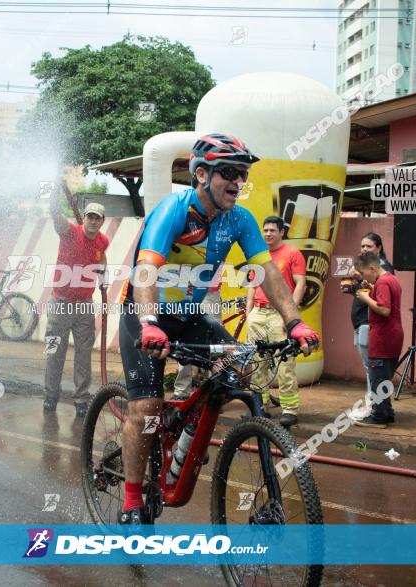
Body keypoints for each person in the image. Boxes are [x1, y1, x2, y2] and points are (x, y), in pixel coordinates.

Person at [116, 133, 319, 524]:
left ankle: (187, 427)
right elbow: (146, 271)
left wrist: (294, 322)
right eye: (229, 173)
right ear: (202, 174)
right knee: (145, 407)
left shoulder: (239, 219)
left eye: (242, 174)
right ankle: (131, 498)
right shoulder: (174, 209)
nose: (238, 183)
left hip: (190, 314)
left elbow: (269, 273)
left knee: (239, 367)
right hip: (147, 311)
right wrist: (149, 323)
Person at [44, 196, 109, 418]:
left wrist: (103, 278)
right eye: (89, 217)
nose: (92, 221)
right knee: (55, 352)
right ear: (85, 219)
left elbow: (102, 257)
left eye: (96, 218)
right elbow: (57, 219)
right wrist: (53, 201)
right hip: (60, 303)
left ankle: (81, 399)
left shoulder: (103, 241)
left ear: (101, 221)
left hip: (84, 306)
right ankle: (51, 396)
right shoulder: (70, 232)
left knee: (84, 354)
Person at [245, 215, 306, 427]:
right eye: (265, 230)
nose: (268, 234)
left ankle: (290, 410)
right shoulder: (258, 256)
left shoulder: (293, 254)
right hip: (257, 315)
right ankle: (260, 407)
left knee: (285, 363)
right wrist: (248, 313)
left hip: (279, 314)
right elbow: (252, 286)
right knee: (256, 363)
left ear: (282, 232)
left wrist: (289, 315)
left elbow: (300, 284)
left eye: (272, 230)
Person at [345, 232, 394, 421]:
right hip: (360, 323)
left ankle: (373, 408)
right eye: (362, 246)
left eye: (369, 246)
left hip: (369, 324)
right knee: (370, 368)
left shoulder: (382, 270)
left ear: (379, 248)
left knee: (372, 369)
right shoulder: (367, 269)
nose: (364, 249)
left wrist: (359, 279)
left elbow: (381, 300)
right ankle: (376, 407)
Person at [352, 252, 403, 428]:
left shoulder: (383, 282)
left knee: (377, 378)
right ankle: (386, 412)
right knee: (383, 377)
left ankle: (379, 416)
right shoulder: (390, 279)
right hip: (392, 336)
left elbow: (384, 309)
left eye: (364, 274)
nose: (363, 278)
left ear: (372, 268)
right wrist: (371, 289)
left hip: (383, 336)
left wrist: (366, 297)